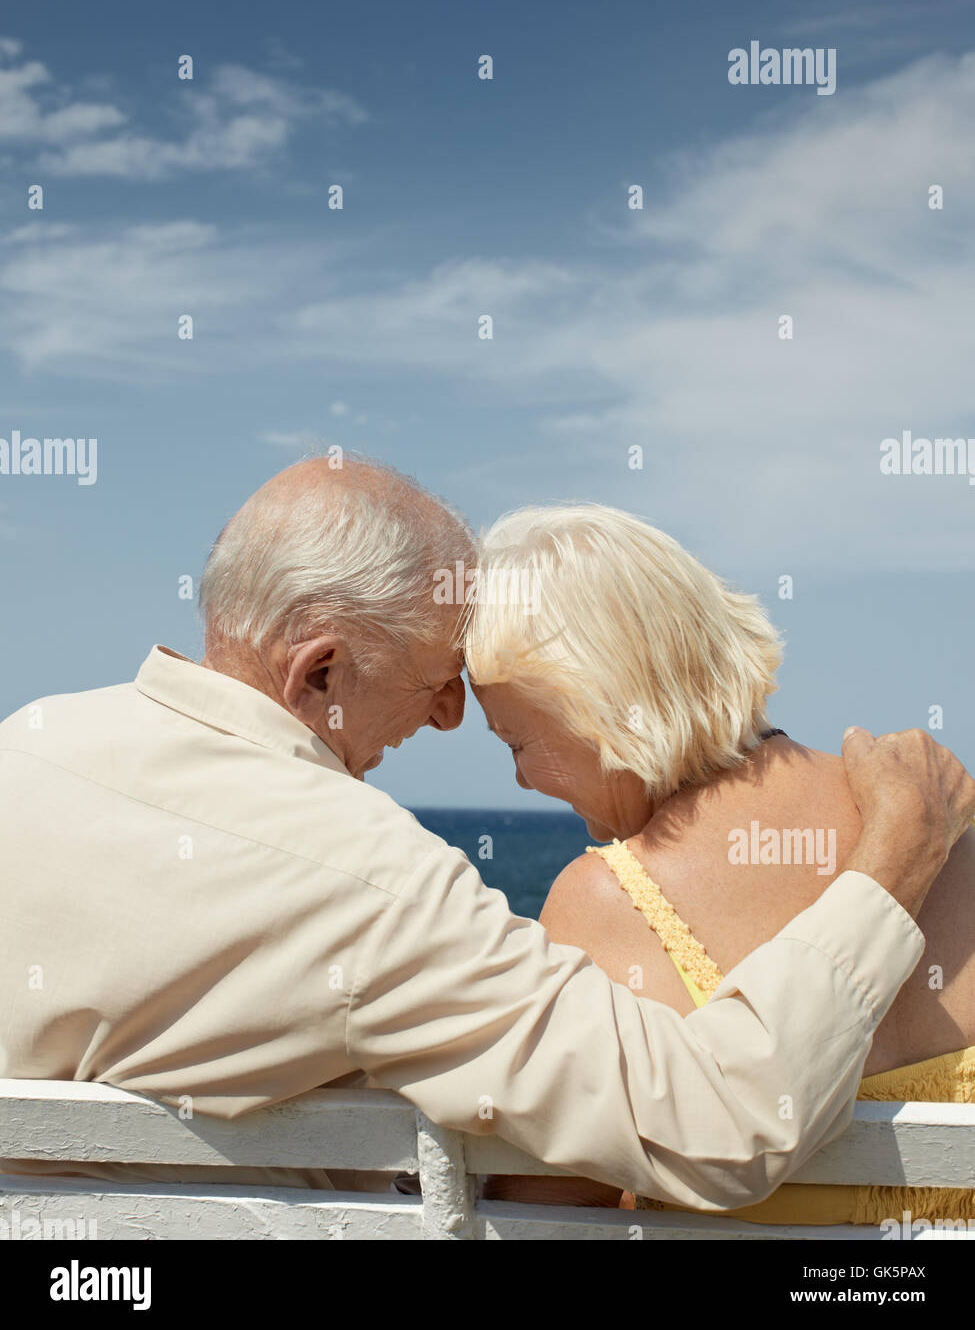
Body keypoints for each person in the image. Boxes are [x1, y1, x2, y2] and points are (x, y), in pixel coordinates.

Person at [0, 458, 972, 1211]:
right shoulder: (366, 879)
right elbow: (726, 1121)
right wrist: (896, 856)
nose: (448, 724)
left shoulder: (26, 748)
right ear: (323, 672)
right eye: (436, 684)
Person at [464, 502, 975, 1221]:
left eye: (515, 742)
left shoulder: (609, 899)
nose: (519, 781)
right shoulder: (941, 823)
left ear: (600, 708)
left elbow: (550, 1214)